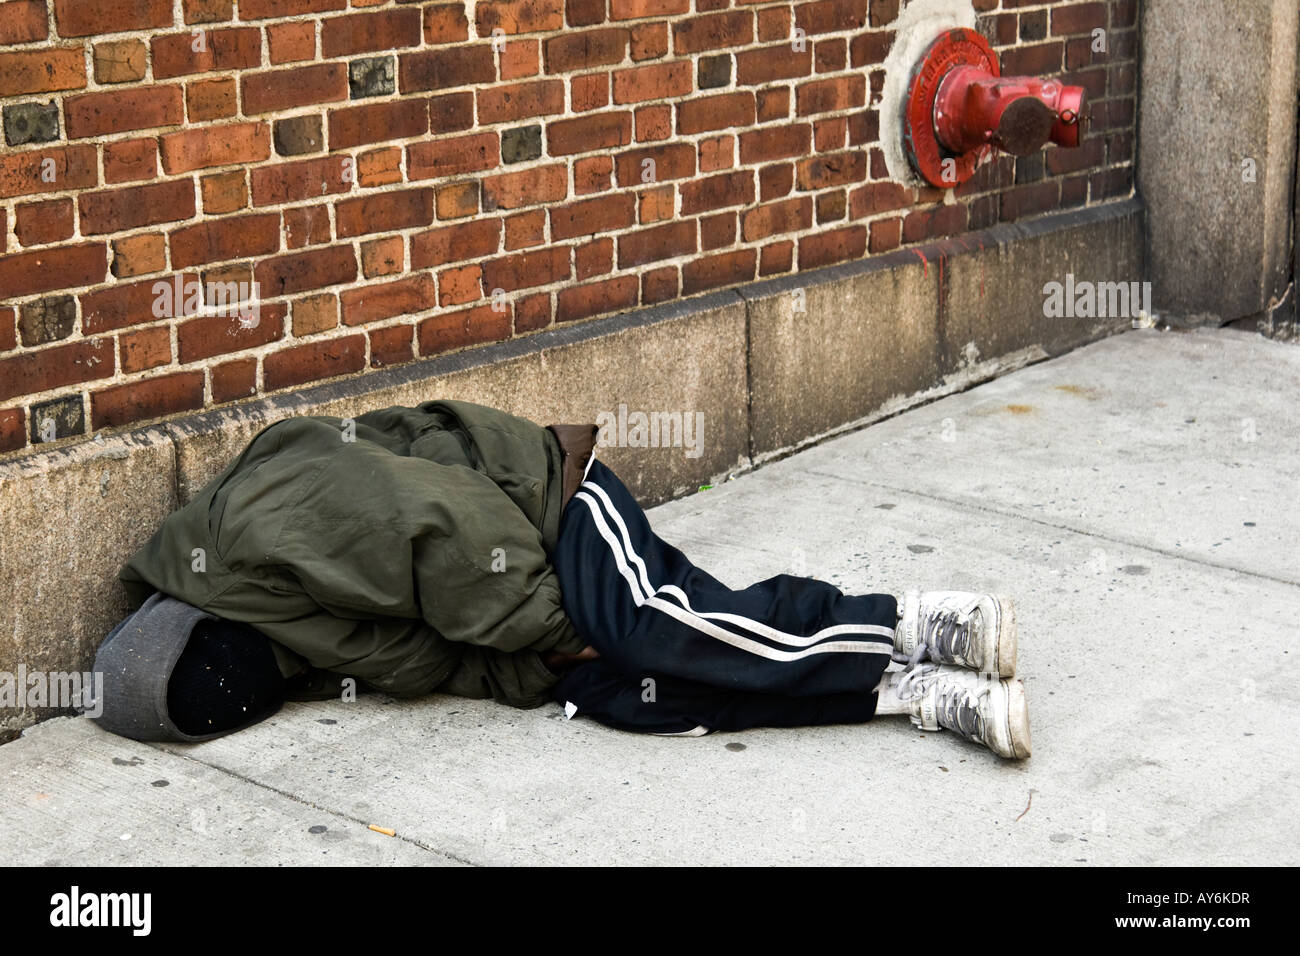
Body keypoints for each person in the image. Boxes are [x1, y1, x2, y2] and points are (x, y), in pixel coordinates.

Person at [92, 400, 1031, 759]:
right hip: (518, 588)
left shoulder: (269, 520)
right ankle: (909, 696)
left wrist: (551, 629)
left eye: (220, 693)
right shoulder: (286, 631)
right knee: (637, 697)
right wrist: (543, 671)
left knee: (651, 630)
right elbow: (435, 656)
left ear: (198, 629)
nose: (253, 701)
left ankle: (912, 622)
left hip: (546, 507)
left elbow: (442, 530)